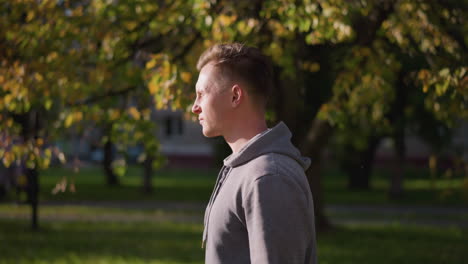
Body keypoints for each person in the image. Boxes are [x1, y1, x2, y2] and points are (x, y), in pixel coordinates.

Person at [192, 43, 317, 264]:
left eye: (201, 94)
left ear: (235, 96)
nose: (195, 106)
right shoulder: (245, 169)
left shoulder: (268, 177)